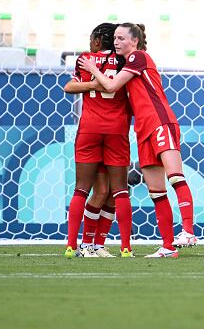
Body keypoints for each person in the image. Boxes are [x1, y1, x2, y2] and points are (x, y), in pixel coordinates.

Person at [78, 23, 197, 258]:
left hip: (160, 122)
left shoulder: (139, 57)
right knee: (156, 191)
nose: (116, 42)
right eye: (115, 38)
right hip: (143, 131)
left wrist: (92, 68)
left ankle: (188, 231)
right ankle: (168, 247)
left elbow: (110, 85)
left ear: (134, 41)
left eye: (121, 38)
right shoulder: (127, 66)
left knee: (175, 176)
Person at [64, 22, 130, 258]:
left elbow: (69, 86)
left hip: (90, 128)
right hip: (116, 129)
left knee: (85, 188)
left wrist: (91, 83)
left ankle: (75, 245)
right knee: (117, 191)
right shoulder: (124, 61)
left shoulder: (85, 59)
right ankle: (123, 247)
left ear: (96, 41)